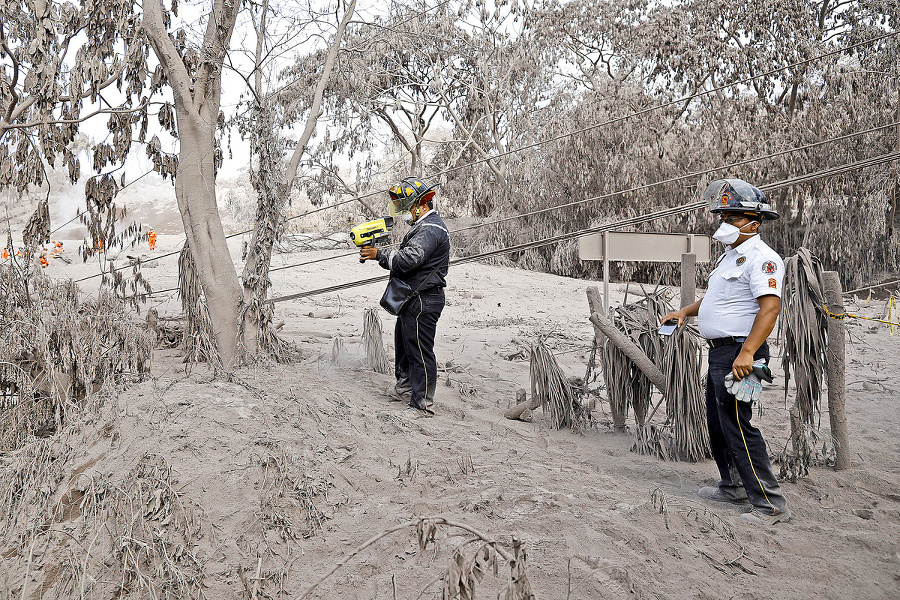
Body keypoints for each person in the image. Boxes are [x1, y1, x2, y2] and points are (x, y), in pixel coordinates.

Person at [662, 178, 790, 526]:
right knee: (718, 422)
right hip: (721, 352)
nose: (726, 223)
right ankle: (732, 485)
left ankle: (769, 503)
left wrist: (747, 353)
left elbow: (769, 309)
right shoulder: (730, 258)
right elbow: (720, 300)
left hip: (740, 352)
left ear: (755, 221)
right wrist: (686, 312)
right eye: (724, 216)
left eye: (734, 217)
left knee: (737, 423)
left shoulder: (763, 259)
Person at [360, 177, 450, 417]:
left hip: (423, 300)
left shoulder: (430, 229)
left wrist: (379, 254)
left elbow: (409, 260)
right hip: (413, 299)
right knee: (405, 344)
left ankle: (422, 403)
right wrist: (378, 254)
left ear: (420, 205)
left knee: (420, 351)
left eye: (405, 206)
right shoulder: (423, 227)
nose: (403, 213)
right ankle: (405, 388)